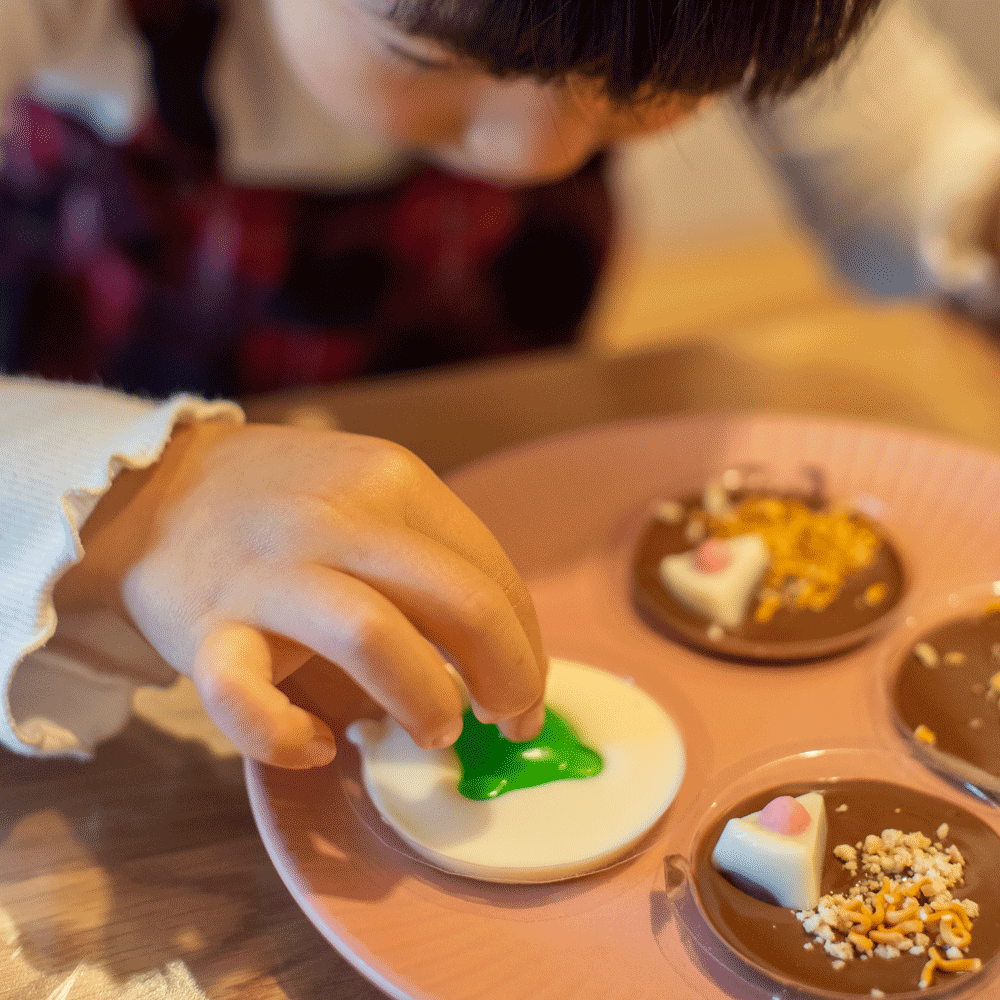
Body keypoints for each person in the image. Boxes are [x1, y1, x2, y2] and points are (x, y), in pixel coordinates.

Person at [2, 0, 999, 769]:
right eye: (426, 58)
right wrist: (146, 506)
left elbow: (902, 169)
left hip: (490, 428)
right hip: (106, 482)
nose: (535, 152)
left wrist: (973, 214)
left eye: (633, 86)